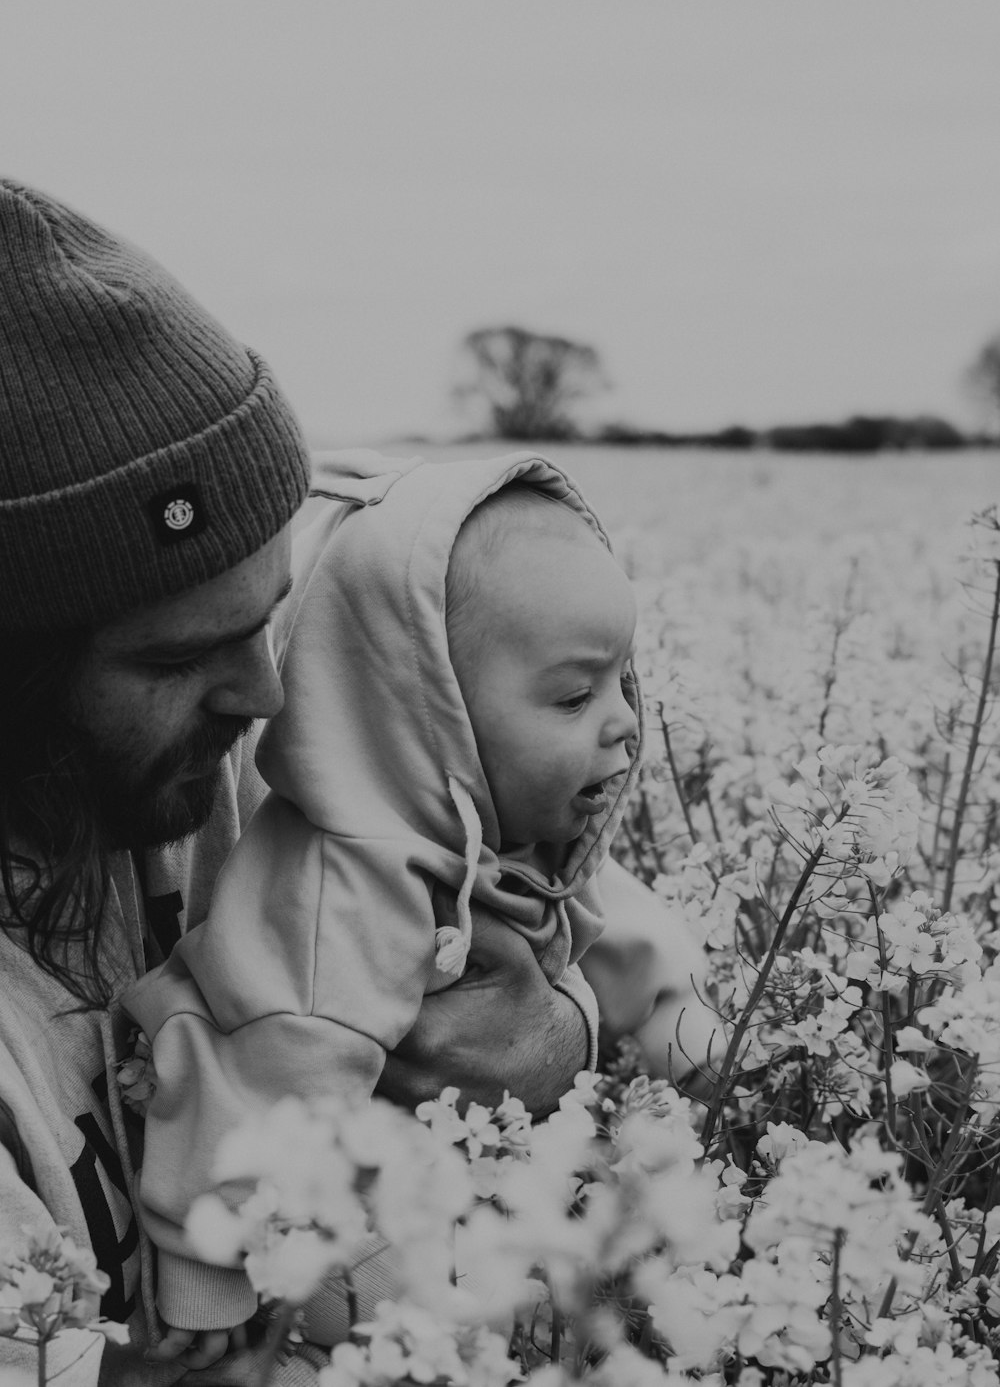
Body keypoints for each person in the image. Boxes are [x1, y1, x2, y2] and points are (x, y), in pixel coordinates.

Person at [0, 180, 605, 1387]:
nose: (261, 704)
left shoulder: (244, 776)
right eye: (174, 659)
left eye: (261, 626)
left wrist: (553, 1037)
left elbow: (567, 972)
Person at [123, 451, 715, 1361]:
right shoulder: (344, 900)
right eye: (573, 695)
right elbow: (259, 1118)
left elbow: (610, 944)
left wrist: (705, 1052)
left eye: (621, 679)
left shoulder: (495, 836)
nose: (627, 722)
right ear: (431, 711)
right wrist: (214, 1302)